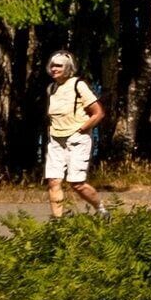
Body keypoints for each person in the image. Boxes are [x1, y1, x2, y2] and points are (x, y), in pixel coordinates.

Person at [40, 50, 106, 215]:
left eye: (59, 66)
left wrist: (82, 129)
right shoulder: (52, 88)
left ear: (68, 68)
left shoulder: (78, 85)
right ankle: (58, 223)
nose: (54, 69)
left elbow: (98, 113)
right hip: (56, 140)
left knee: (76, 183)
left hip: (77, 139)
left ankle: (101, 210)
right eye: (52, 65)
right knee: (53, 181)